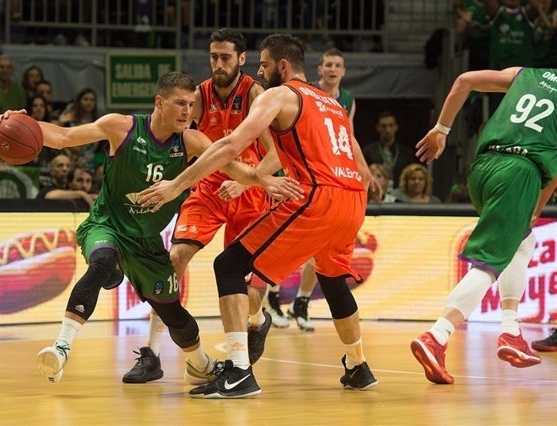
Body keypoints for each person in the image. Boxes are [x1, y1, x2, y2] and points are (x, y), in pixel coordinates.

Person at [138, 33, 378, 398]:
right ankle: (358, 365)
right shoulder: (331, 103)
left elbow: (231, 145)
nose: (261, 73)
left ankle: (238, 372)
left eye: (265, 66)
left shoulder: (279, 94)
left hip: (315, 196)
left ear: (283, 66)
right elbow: (355, 156)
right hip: (353, 200)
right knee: (331, 280)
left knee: (229, 266)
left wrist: (175, 186)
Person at [0, 72, 241, 386]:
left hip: (145, 240)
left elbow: (231, 163)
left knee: (171, 311)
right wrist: (19, 122)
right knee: (102, 262)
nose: (187, 111)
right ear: (159, 102)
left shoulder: (191, 142)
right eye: (180, 103)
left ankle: (200, 364)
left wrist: (263, 178)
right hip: (107, 223)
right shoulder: (121, 127)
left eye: (191, 104)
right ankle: (61, 348)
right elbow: (62, 137)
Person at [124, 28, 281, 383]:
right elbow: (180, 139)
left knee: (245, 289)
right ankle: (152, 353)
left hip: (249, 189)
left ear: (242, 59)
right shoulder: (198, 95)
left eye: (226, 57)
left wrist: (245, 180)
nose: (218, 63)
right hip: (209, 187)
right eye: (213, 56)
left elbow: (276, 155)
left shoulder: (257, 94)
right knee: (173, 259)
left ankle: (258, 321)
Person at [410, 66, 557, 385]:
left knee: (522, 242)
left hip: (482, 170)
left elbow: (463, 80)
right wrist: (536, 207)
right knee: (489, 263)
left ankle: (510, 329)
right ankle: (438, 335)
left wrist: (441, 129)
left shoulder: (527, 73)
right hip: (520, 173)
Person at [274, 47, 359, 332]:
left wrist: (364, 171)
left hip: (332, 180)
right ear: (319, 70)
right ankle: (272, 296)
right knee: (287, 242)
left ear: (343, 71)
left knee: (319, 249)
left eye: (338, 65)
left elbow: (348, 139)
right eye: (328, 65)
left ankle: (301, 301)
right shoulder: (305, 93)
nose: (333, 69)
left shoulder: (346, 100)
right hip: (300, 174)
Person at [362, 111, 416, 190]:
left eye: (391, 125)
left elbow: (412, 175)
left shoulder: (405, 152)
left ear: (396, 127)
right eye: (384, 126)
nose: (387, 130)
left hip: (401, 194)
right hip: (375, 192)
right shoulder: (368, 151)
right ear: (378, 128)